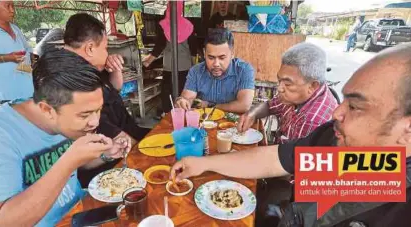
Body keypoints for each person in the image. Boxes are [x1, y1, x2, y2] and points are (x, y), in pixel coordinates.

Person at [171, 43, 411, 227]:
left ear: (407, 130)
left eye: (356, 107)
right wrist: (202, 163)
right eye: (344, 99)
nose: (337, 111)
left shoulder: (398, 204)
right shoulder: (333, 137)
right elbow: (276, 158)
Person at [0, 50, 131, 226]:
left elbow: (75, 161)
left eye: (98, 110)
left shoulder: (66, 118)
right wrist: (68, 162)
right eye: (85, 115)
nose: (95, 122)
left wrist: (105, 154)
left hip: (80, 214)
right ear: (47, 110)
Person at [57, 13, 150, 187]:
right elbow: (103, 128)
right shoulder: (69, 80)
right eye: (106, 47)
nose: (107, 53)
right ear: (90, 48)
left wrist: (115, 70)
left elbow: (113, 91)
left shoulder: (89, 66)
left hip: (123, 138)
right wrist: (144, 157)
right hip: (107, 166)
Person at [237, 43, 338, 144]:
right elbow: (270, 105)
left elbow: (289, 158)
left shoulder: (311, 121)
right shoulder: (298, 95)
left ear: (313, 86)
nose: (280, 88)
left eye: (287, 84)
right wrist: (252, 114)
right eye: (279, 80)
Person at [175, 28, 255, 114]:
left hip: (232, 124)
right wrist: (182, 101)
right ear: (204, 53)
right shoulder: (196, 71)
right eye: (211, 57)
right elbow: (188, 97)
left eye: (222, 58)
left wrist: (210, 105)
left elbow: (244, 106)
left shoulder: (244, 70)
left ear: (232, 54)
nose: (216, 64)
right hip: (202, 124)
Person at [142, 0, 198, 114]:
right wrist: (193, 66)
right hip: (185, 66)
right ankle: (183, 114)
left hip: (169, 66)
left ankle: (169, 115)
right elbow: (193, 49)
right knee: (183, 93)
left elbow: (160, 45)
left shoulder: (165, 25)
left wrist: (148, 61)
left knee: (168, 93)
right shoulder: (188, 25)